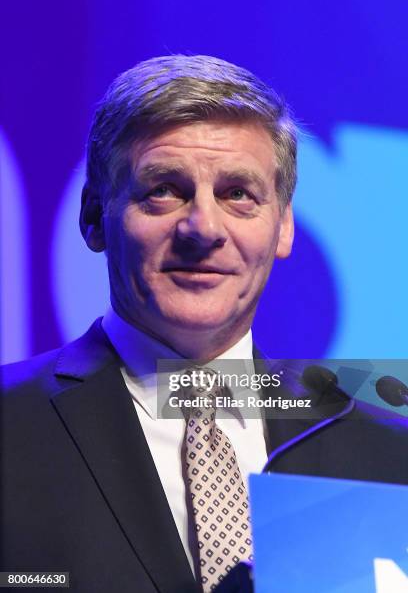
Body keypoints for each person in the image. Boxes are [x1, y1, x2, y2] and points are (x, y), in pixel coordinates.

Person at [1, 55, 407, 593]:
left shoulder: (385, 453)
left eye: (238, 194)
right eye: (164, 190)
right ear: (95, 216)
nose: (203, 228)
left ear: (283, 227)